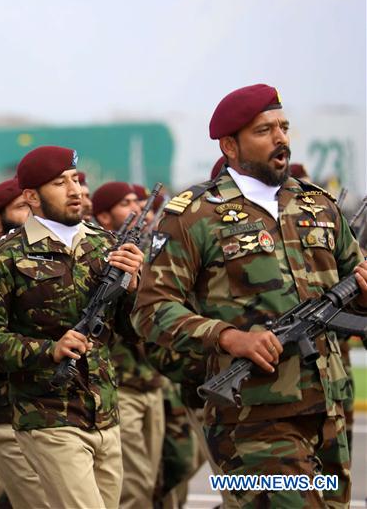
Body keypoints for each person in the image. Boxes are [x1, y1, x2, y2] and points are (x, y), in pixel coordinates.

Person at [133, 84, 367, 508]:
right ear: (230, 145)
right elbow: (151, 309)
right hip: (253, 417)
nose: (281, 138)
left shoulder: (319, 206)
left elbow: (355, 293)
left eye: (284, 127)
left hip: (328, 412)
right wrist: (228, 337)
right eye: (264, 130)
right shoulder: (195, 215)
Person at [0, 146, 144, 509]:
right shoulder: (3, 257)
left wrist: (136, 288)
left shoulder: (106, 246)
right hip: (48, 416)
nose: (75, 190)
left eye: (76, 180)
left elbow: (134, 331)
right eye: (60, 183)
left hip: (104, 413)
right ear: (31, 196)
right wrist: (50, 350)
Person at [0, 178, 48, 509]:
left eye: (34, 205)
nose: (32, 213)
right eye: (21, 208)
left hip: (52, 411)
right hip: (6, 411)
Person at [93, 181, 165, 508]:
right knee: (132, 485)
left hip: (151, 379)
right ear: (105, 217)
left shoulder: (147, 251)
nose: (138, 209)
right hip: (122, 384)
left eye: (139, 201)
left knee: (153, 479)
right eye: (126, 203)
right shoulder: (99, 255)